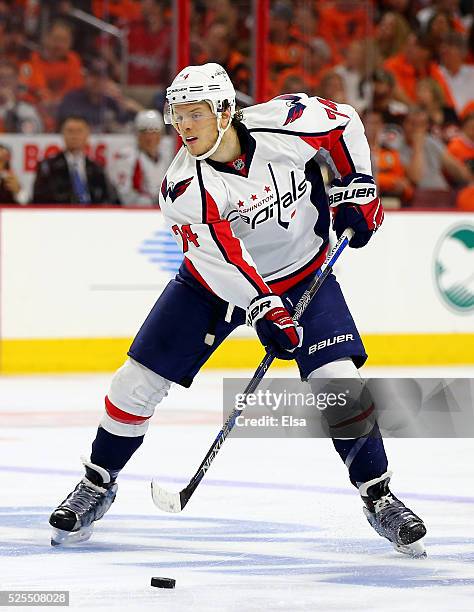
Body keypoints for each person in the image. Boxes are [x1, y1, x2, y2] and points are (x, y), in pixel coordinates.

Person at [49, 63, 427, 558]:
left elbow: (345, 123)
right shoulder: (184, 187)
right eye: (177, 114)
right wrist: (263, 308)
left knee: (340, 384)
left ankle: (378, 494)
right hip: (213, 286)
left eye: (195, 113)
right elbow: (223, 258)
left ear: (226, 110)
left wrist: (359, 184)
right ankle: (97, 482)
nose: (184, 126)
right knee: (134, 382)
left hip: (302, 274)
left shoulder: (287, 122)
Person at [31, 115, 119, 205]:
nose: (74, 136)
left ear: (87, 135)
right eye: (70, 131)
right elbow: (39, 199)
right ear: (63, 134)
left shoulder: (97, 168)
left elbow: (111, 198)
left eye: (79, 131)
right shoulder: (48, 167)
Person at [56, 58, 140, 133]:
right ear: (85, 77)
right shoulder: (72, 98)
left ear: (108, 81)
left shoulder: (110, 101)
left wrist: (136, 109)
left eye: (102, 77)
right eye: (93, 76)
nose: (97, 81)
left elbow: (127, 123)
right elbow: (65, 120)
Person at [111, 109, 173, 207]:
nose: (150, 137)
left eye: (154, 131)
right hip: (138, 212)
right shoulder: (126, 157)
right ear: (137, 134)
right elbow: (125, 195)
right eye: (144, 132)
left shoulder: (168, 156)